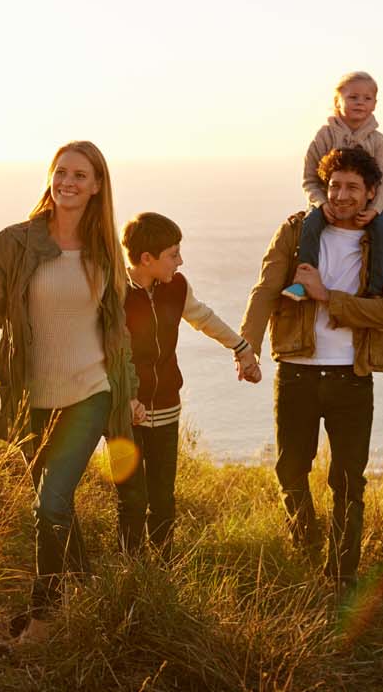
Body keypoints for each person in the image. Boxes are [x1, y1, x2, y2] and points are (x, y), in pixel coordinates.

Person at [0, 140, 145, 646]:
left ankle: (42, 620)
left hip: (90, 392)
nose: (68, 181)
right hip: (28, 397)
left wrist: (125, 393)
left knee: (50, 504)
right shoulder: (15, 242)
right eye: (61, 172)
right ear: (50, 177)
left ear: (97, 186)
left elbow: (118, 332)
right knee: (57, 506)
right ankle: (86, 597)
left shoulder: (107, 251)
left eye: (80, 175)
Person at [238, 147, 383, 590]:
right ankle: (307, 550)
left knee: (349, 480)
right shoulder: (296, 232)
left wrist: (325, 296)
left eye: (353, 186)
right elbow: (265, 291)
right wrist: (247, 347)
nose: (342, 194)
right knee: (290, 470)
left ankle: (342, 574)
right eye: (335, 185)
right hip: (295, 371)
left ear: (371, 192)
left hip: (352, 376)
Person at [115, 212, 261, 555]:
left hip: (166, 404)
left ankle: (163, 567)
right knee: (132, 497)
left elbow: (203, 318)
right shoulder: (114, 292)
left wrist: (241, 348)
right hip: (124, 410)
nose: (180, 261)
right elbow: (105, 351)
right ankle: (128, 571)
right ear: (147, 259)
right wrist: (125, 398)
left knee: (163, 495)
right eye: (173, 254)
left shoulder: (176, 286)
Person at [284, 72, 383, 301]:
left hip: (369, 206)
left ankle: (375, 291)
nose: (360, 102)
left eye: (367, 98)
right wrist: (321, 204)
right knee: (310, 224)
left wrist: (375, 209)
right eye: (353, 97)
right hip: (328, 203)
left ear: (374, 104)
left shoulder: (378, 141)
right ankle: (303, 282)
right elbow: (309, 178)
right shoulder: (324, 135)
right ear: (337, 102)